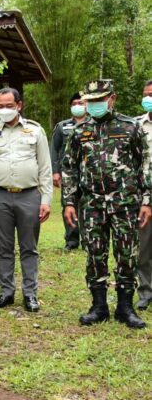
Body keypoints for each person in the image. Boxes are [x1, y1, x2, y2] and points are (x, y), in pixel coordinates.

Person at [63, 79, 151, 329]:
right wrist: (69, 202)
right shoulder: (79, 131)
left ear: (112, 98)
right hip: (92, 204)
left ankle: (125, 307)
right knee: (95, 255)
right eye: (90, 101)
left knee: (127, 255)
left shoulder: (131, 127)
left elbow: (145, 165)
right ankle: (98, 306)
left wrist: (147, 201)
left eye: (100, 100)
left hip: (126, 203)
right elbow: (69, 167)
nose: (94, 105)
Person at [0, 88, 53, 313]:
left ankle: (30, 293)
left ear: (19, 105)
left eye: (9, 106)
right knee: (3, 247)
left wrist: (46, 199)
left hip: (29, 195)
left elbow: (45, 168)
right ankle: (6, 292)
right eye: (0, 106)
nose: (4, 110)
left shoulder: (35, 131)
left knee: (29, 247)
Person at [50, 92, 86, 251]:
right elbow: (54, 149)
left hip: (89, 173)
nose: (77, 106)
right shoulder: (62, 126)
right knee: (69, 204)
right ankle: (71, 240)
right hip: (68, 173)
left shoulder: (94, 124)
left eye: (81, 103)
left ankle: (88, 240)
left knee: (88, 206)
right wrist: (55, 172)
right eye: (74, 104)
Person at [136, 80, 152, 311]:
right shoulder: (136, 125)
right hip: (143, 196)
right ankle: (146, 292)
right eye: (147, 94)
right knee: (143, 248)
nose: (149, 98)